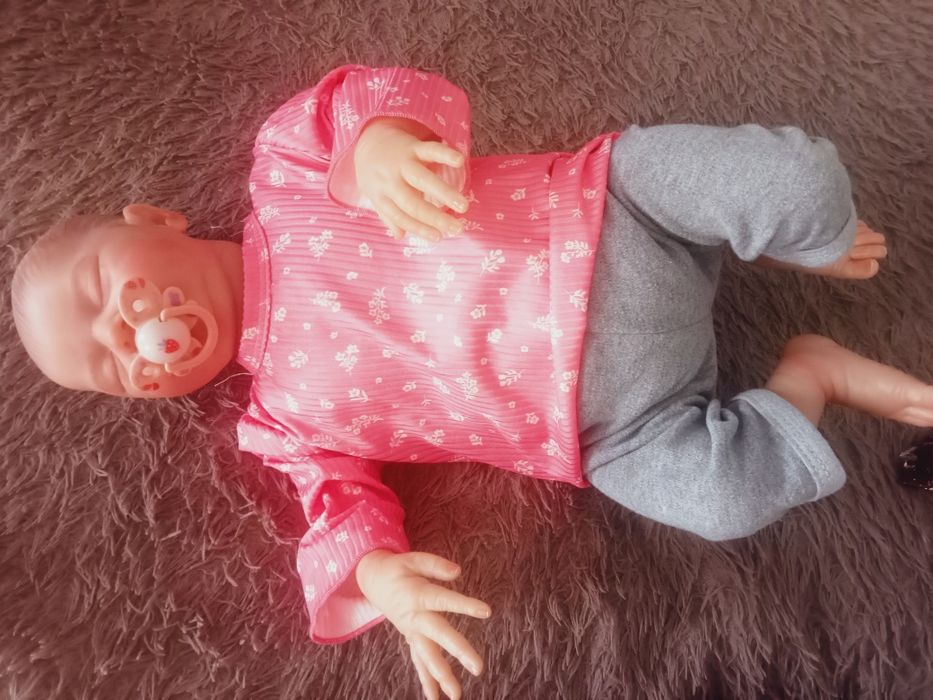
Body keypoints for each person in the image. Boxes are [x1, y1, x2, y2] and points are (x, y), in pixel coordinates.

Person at [11, 64, 932, 700]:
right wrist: (379, 578)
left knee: (798, 183)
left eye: (101, 292)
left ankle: (786, 233)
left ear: (153, 219)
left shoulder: (285, 174)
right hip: (615, 422)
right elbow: (335, 507)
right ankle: (811, 373)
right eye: (114, 368)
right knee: (722, 499)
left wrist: (379, 147)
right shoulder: (281, 424)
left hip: (609, 214)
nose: (128, 335)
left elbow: (359, 99)